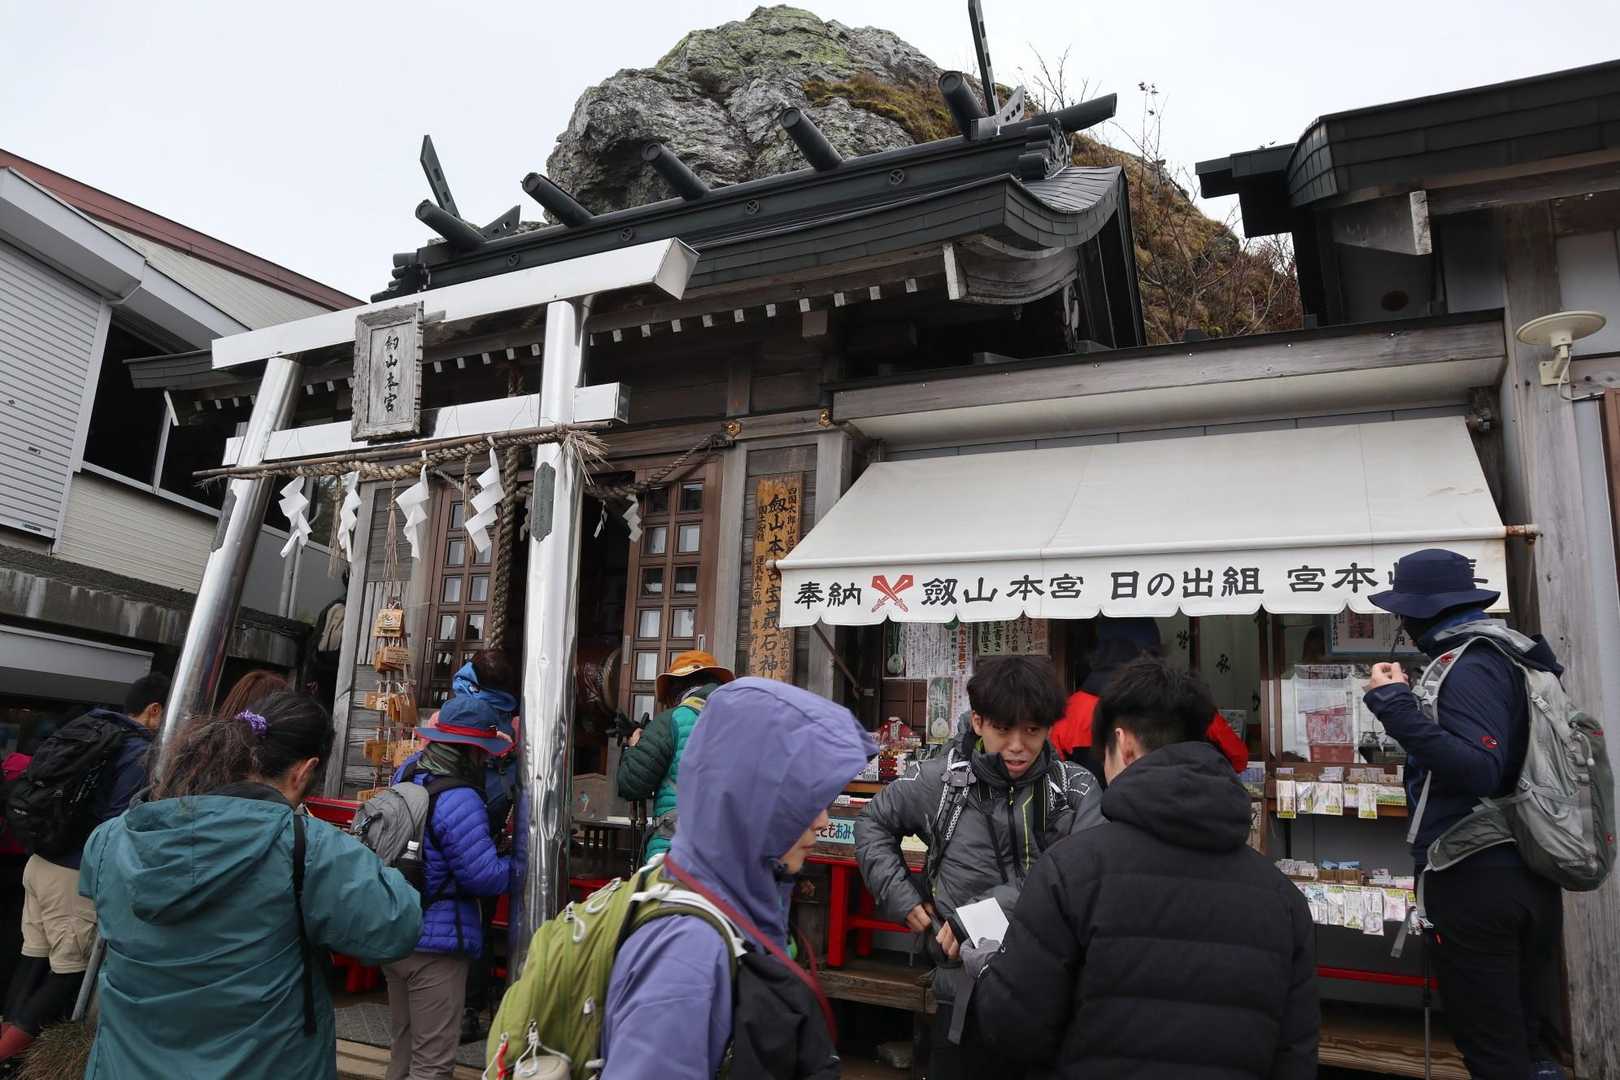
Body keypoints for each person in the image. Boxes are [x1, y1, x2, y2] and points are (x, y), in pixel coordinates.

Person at [967, 657, 1319, 1079]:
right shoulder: (1283, 899)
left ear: (1124, 744)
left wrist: (988, 967)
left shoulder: (1070, 872)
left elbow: (1015, 1028)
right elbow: (1296, 1054)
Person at [77, 690, 421, 1080]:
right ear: (303, 772)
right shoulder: (308, 847)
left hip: (124, 1065)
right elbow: (397, 928)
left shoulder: (112, 837)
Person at [598, 677, 876, 1078]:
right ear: (753, 799)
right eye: (804, 799)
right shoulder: (686, 954)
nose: (822, 820)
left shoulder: (745, 901)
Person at [1361, 549, 1567, 1080]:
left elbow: (1479, 767)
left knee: (1494, 1051)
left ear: (1419, 611)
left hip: (1476, 873)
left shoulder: (1470, 665)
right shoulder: (1514, 655)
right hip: (1529, 862)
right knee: (1525, 1040)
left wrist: (1394, 704)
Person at [855, 654, 1104, 1079]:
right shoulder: (940, 782)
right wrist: (902, 897)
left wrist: (973, 918)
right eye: (1003, 729)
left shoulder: (1075, 789)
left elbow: (1083, 878)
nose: (1017, 745)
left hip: (1050, 989)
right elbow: (872, 823)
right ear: (978, 722)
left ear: (1049, 727)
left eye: (1032, 730)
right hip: (960, 993)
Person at [0, 674, 167, 1069]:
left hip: (39, 862)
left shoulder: (89, 729)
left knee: (33, 958)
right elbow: (117, 825)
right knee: (68, 973)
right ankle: (5, 1055)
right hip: (74, 874)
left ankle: (8, 1047)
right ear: (155, 709)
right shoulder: (138, 752)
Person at [385, 695, 512, 1080]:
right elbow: (483, 876)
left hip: (396, 927)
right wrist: (521, 862)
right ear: (471, 750)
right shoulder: (460, 797)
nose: (486, 760)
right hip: (436, 946)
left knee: (403, 1051)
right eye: (483, 751)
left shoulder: (407, 772)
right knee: (433, 1063)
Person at [1050, 618, 1249, 782]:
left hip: (1089, 814)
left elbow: (1053, 771)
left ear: (1099, 651)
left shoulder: (1072, 709)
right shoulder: (1184, 697)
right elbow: (1239, 757)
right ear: (1153, 650)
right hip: (1169, 811)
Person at [446, 648, 519, 1045]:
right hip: (487, 829)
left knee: (455, 919)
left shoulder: (465, 709)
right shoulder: (508, 719)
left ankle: (461, 1009)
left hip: (457, 824)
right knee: (478, 921)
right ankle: (469, 1008)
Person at [615, 650, 735, 861]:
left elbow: (631, 785)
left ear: (675, 689)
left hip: (675, 852)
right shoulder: (740, 720)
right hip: (731, 853)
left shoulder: (669, 721)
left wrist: (634, 747)